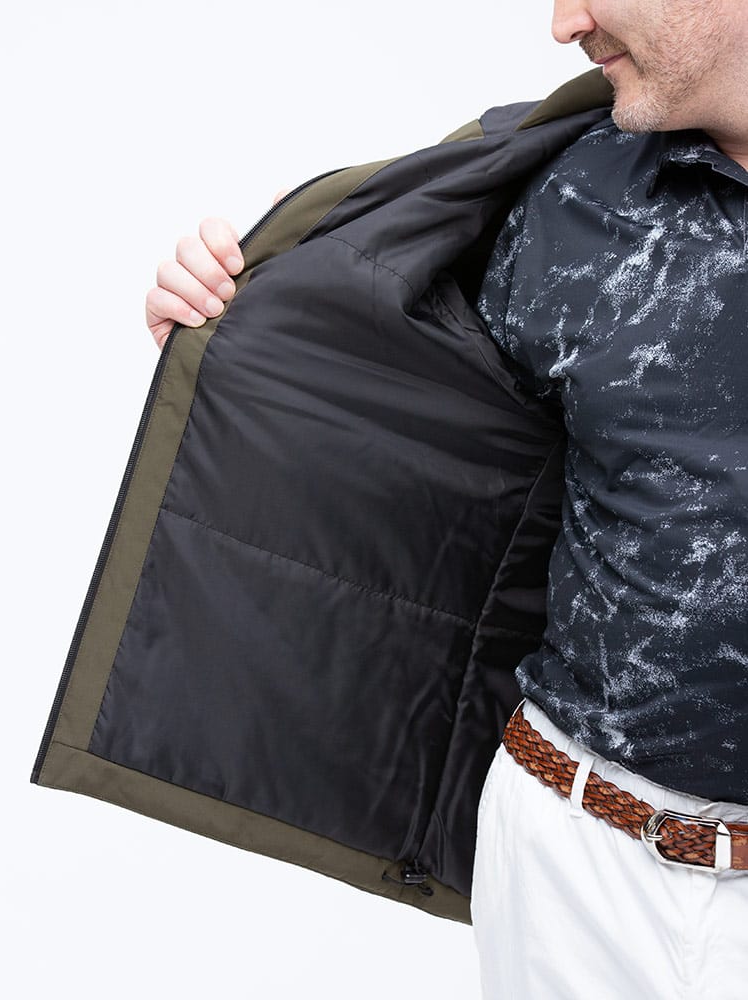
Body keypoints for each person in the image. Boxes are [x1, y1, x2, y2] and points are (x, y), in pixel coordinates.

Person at [144, 2, 748, 996]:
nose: (563, 22)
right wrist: (228, 334)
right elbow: (366, 397)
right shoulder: (561, 190)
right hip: (574, 872)